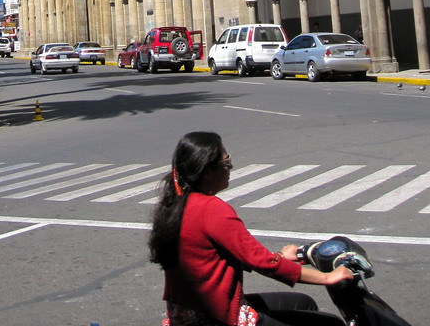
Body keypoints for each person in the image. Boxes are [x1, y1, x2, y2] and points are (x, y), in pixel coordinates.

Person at [149, 132, 353, 326]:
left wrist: (280, 255)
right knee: (331, 323)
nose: (231, 166)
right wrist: (328, 277)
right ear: (208, 171)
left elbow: (236, 254)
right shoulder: (211, 209)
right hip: (217, 318)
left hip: (188, 314)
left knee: (304, 303)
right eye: (226, 162)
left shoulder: (176, 205)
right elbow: (263, 263)